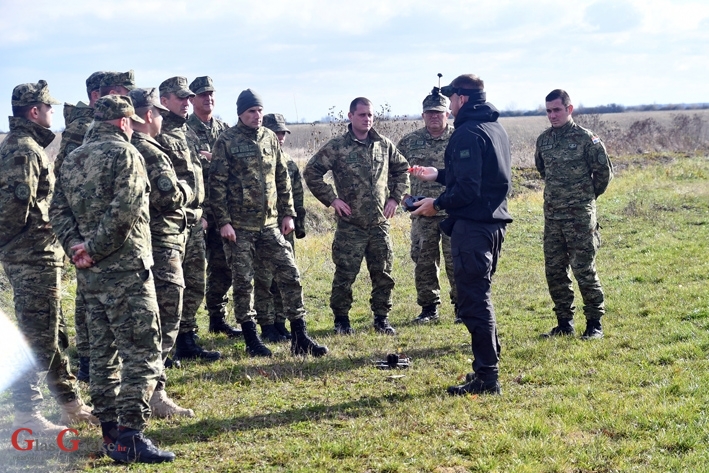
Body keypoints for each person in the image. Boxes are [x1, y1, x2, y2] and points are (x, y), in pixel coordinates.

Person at [50, 95, 174, 463]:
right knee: (142, 351)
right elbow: (126, 209)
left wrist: (77, 248)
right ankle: (131, 434)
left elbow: (57, 210)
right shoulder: (127, 154)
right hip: (126, 271)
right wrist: (93, 248)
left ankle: (110, 433)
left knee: (102, 355)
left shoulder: (72, 159)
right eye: (132, 123)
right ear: (123, 122)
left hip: (90, 275)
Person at [0, 80, 98, 434]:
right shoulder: (24, 150)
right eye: (48, 108)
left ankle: (70, 404)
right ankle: (26, 414)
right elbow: (14, 210)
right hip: (31, 257)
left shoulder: (25, 146)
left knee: (52, 332)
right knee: (35, 337)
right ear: (34, 111)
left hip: (40, 255)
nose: (52, 113)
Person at [410, 74, 512, 395]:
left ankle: (487, 378)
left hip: (474, 228)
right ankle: (486, 367)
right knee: (479, 297)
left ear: (462, 98)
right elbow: (479, 175)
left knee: (473, 303)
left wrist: (436, 204)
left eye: (452, 98)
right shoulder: (494, 128)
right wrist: (439, 175)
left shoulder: (468, 133)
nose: (449, 104)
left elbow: (468, 189)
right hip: (491, 225)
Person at [209, 89, 327, 358]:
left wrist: (288, 214)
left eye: (260, 110)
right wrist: (223, 222)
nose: (257, 115)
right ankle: (252, 339)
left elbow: (282, 178)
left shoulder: (269, 138)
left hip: (270, 225)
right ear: (241, 113)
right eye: (252, 111)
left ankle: (300, 336)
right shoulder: (226, 141)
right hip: (240, 228)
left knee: (290, 274)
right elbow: (216, 185)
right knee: (244, 283)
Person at [304, 97, 409, 335]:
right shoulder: (337, 146)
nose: (367, 119)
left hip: (379, 223)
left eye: (370, 115)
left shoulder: (383, 144)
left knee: (383, 273)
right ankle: (341, 321)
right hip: (351, 224)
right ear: (351, 116)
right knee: (345, 274)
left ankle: (381, 318)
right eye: (362, 115)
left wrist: (395, 198)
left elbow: (402, 169)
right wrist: (332, 199)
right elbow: (311, 172)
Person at [129, 87, 195, 418]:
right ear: (148, 114)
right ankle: (153, 393)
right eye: (157, 112)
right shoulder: (149, 151)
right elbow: (168, 196)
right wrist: (188, 188)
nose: (160, 119)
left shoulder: (126, 146)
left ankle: (145, 390)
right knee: (165, 319)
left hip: (141, 245)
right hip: (161, 243)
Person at [535, 89, 613, 340]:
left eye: (557, 110)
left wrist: (585, 197)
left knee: (583, 269)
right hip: (553, 217)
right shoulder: (544, 140)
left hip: (579, 217)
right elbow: (543, 170)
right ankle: (564, 323)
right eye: (548, 111)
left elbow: (603, 174)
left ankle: (594, 323)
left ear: (569, 109)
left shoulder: (586, 139)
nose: (552, 115)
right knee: (555, 271)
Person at [157, 76, 221, 363]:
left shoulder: (187, 132)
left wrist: (203, 212)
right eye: (180, 98)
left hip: (194, 220)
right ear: (164, 101)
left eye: (188, 98)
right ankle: (163, 349)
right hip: (171, 223)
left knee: (195, 283)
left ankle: (187, 339)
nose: (186, 102)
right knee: (169, 287)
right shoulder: (158, 133)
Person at [54, 70, 106, 383]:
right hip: (85, 221)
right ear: (96, 96)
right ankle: (87, 359)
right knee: (88, 294)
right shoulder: (81, 127)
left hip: (103, 223)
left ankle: (99, 357)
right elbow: (65, 173)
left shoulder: (103, 124)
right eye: (117, 92)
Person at [186, 76, 241, 338]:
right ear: (192, 99)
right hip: (197, 212)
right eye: (202, 94)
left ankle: (217, 318)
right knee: (192, 271)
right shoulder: (185, 131)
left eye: (211, 94)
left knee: (223, 266)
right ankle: (185, 327)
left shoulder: (225, 130)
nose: (208, 98)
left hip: (222, 211)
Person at [397, 92, 457, 324]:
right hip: (422, 213)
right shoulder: (409, 142)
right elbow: (395, 172)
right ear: (423, 115)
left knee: (457, 262)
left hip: (453, 212)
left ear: (447, 114)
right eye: (430, 113)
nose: (434, 117)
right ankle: (428, 309)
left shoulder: (459, 138)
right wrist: (402, 196)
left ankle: (462, 308)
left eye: (439, 113)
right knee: (424, 262)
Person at [254, 113, 306, 342]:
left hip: (285, 226)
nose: (281, 137)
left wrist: (297, 223)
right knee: (264, 278)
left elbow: (297, 196)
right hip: (263, 226)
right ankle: (266, 323)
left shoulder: (289, 163)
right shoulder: (257, 161)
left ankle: (280, 321)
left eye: (283, 132)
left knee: (284, 277)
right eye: (276, 132)